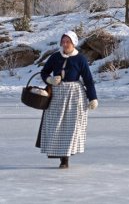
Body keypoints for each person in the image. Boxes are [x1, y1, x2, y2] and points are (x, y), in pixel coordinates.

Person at [39, 30, 98, 168]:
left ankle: (65, 159)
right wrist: (50, 80)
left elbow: (88, 79)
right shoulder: (55, 57)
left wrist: (93, 97)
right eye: (63, 41)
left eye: (68, 42)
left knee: (71, 127)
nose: (65, 44)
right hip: (57, 93)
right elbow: (44, 72)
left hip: (75, 95)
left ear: (74, 43)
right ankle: (58, 154)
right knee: (56, 124)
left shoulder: (80, 59)